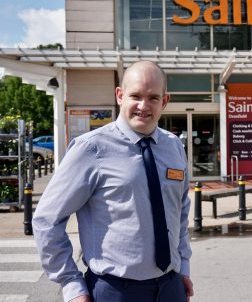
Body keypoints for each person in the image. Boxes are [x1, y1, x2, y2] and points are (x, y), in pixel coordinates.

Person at [33, 61, 194, 302]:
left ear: (165, 101)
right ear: (120, 96)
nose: (143, 106)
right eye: (135, 95)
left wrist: (182, 267)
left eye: (153, 97)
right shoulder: (91, 148)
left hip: (171, 287)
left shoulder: (173, 147)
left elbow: (179, 212)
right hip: (115, 291)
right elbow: (47, 219)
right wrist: (71, 284)